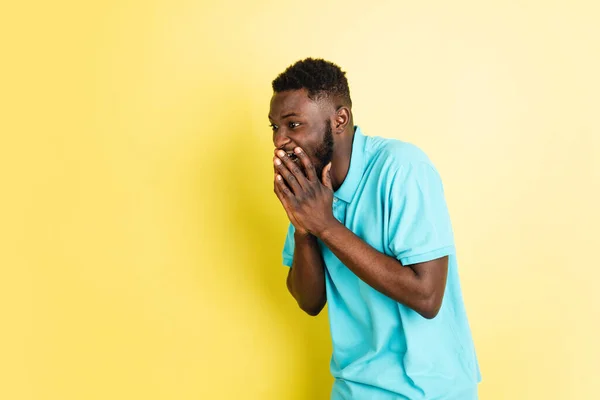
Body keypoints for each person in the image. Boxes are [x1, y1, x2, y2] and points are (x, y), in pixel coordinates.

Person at [269, 58, 481, 399]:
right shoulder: (310, 191)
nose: (280, 141)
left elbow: (427, 297)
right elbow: (310, 301)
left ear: (340, 120)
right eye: (274, 127)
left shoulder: (402, 167)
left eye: (293, 125)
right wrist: (303, 228)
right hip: (353, 390)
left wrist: (324, 225)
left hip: (425, 390)